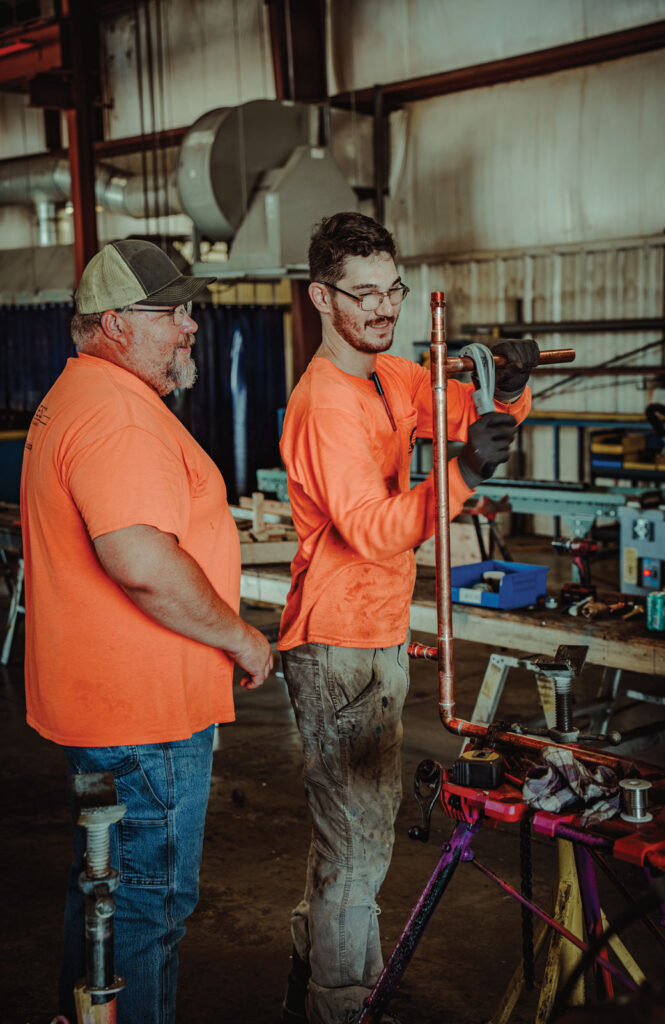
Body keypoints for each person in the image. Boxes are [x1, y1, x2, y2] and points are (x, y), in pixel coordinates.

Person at [277, 212, 539, 1024]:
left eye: (393, 289)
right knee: (361, 847)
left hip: (374, 629)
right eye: (365, 294)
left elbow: (477, 418)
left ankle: (313, 972)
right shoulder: (325, 402)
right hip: (338, 642)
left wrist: (514, 385)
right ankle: (345, 1006)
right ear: (322, 297)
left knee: (346, 837)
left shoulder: (390, 377)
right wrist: (460, 477)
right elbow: (372, 527)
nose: (385, 307)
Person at [20, 238, 273, 1024]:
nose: (191, 327)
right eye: (174, 313)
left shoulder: (84, 395)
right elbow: (140, 562)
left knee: (104, 889)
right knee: (147, 907)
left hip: (105, 712)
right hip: (142, 723)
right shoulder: (120, 417)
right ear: (118, 324)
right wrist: (240, 637)